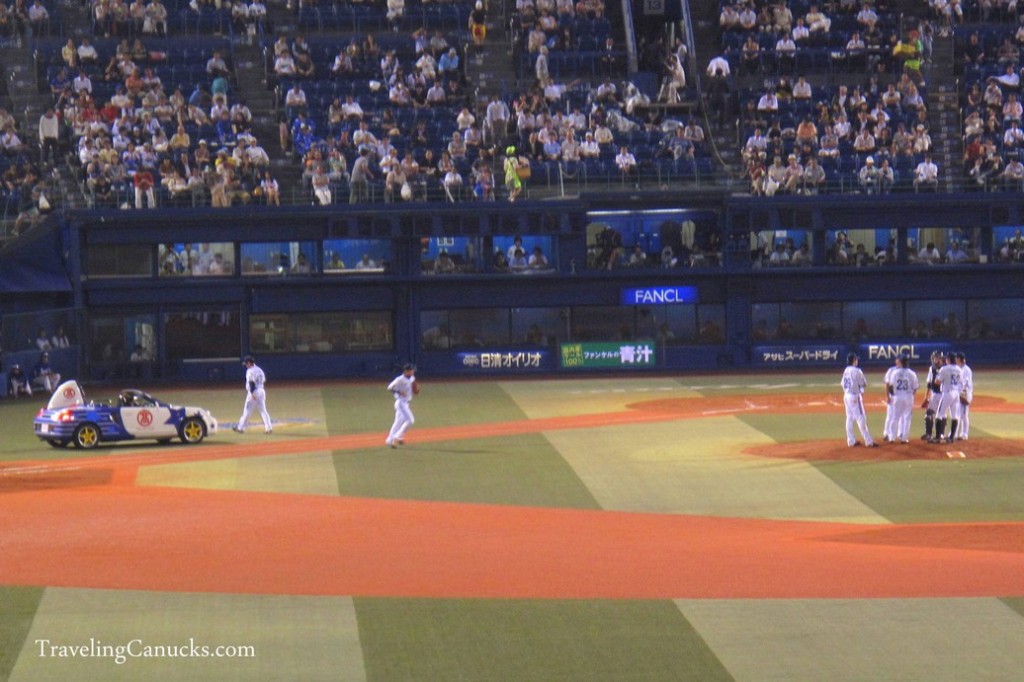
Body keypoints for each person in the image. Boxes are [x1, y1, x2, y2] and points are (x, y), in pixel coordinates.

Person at [840, 352, 878, 447]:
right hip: (854, 396)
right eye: (856, 359)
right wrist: (860, 389)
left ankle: (851, 441)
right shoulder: (857, 371)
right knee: (861, 418)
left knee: (849, 417)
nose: (857, 361)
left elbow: (842, 384)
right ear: (854, 360)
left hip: (846, 395)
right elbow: (863, 383)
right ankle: (868, 441)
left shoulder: (846, 370)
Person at [232, 355, 272, 434]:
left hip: (254, 392)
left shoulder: (250, 371)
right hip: (261, 391)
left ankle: (240, 428)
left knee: (247, 411)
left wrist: (252, 393)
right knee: (263, 411)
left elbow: (251, 382)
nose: (246, 365)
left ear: (249, 363)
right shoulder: (259, 369)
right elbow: (263, 380)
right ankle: (268, 428)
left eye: (246, 364)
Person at [932, 352, 963, 443]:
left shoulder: (944, 368)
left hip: (947, 393)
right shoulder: (959, 369)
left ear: (948, 359)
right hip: (956, 393)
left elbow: (937, 382)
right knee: (954, 415)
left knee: (939, 414)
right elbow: (961, 383)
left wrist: (937, 376)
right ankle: (952, 437)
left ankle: (938, 437)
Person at [385, 362, 417, 448]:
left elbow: (414, 388)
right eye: (411, 370)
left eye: (413, 370)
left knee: (398, 422)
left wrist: (416, 388)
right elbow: (389, 387)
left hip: (406, 403)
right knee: (411, 420)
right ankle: (397, 437)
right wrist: (399, 392)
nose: (413, 371)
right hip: (400, 402)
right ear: (406, 371)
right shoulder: (399, 379)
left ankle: (389, 440)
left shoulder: (412, 378)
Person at [889, 355, 919, 444]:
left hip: (897, 396)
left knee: (895, 417)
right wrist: (911, 395)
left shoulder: (894, 373)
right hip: (908, 396)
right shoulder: (912, 373)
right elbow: (915, 387)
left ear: (901, 362)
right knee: (907, 418)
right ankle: (904, 438)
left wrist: (893, 395)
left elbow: (891, 386)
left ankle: (892, 437)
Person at [920, 351, 944, 441]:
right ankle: (928, 434)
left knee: (941, 414)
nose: (935, 360)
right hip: (934, 394)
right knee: (929, 413)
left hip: (943, 394)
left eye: (936, 358)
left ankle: (941, 434)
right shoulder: (932, 368)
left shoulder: (946, 368)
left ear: (941, 358)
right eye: (934, 358)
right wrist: (926, 397)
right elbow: (929, 384)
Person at [955, 352, 973, 441]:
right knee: (956, 414)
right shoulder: (957, 368)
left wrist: (964, 395)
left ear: (959, 359)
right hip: (958, 393)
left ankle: (964, 434)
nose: (955, 360)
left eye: (956, 358)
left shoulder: (966, 370)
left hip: (965, 393)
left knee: (964, 415)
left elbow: (966, 384)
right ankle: (954, 433)